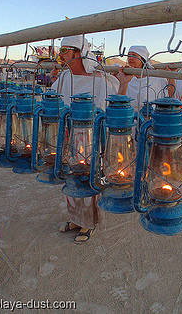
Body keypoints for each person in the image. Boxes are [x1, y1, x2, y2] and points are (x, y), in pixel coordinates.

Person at [50, 35, 119, 243]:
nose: (61, 56)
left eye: (65, 51)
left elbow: (107, 108)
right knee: (71, 178)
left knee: (88, 179)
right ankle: (75, 218)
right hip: (69, 137)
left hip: (91, 138)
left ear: (78, 53)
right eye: (60, 51)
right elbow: (53, 102)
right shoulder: (63, 79)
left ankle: (89, 224)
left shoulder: (99, 80)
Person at [117, 45, 168, 111]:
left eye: (134, 56)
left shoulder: (156, 78)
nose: (130, 58)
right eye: (129, 56)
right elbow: (119, 101)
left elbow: (169, 97)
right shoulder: (125, 77)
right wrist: (124, 83)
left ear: (142, 58)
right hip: (130, 116)